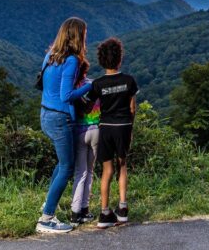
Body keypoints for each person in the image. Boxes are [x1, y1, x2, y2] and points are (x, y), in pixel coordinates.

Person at [37, 17, 93, 234]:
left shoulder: (50, 56)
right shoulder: (71, 60)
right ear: (78, 35)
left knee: (62, 164)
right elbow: (67, 95)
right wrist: (91, 86)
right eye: (84, 34)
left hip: (45, 115)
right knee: (68, 167)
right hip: (60, 119)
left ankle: (48, 204)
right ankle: (46, 219)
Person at [89, 37, 139, 229]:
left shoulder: (98, 84)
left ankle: (104, 213)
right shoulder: (129, 81)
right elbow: (132, 108)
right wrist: (130, 127)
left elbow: (89, 106)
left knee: (106, 170)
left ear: (101, 60)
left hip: (106, 127)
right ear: (120, 58)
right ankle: (123, 208)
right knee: (123, 165)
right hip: (124, 126)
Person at [69, 59, 100, 225]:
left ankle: (75, 213)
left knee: (79, 173)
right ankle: (85, 209)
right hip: (96, 130)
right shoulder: (94, 84)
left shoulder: (72, 89)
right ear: (86, 71)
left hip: (79, 132)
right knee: (90, 171)